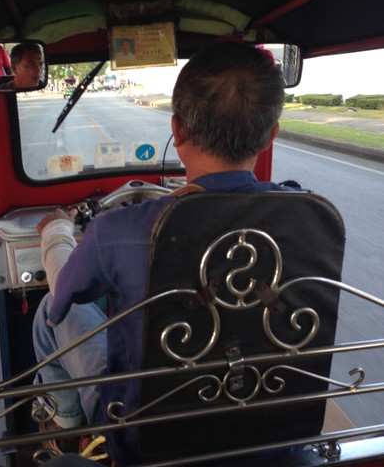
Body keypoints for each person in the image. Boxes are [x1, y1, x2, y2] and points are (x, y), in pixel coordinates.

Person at [32, 41, 302, 464]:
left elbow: (64, 294)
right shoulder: (305, 217)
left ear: (177, 130)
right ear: (271, 136)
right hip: (272, 431)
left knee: (50, 310)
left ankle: (68, 434)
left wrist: (57, 232)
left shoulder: (122, 229)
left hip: (143, 437)